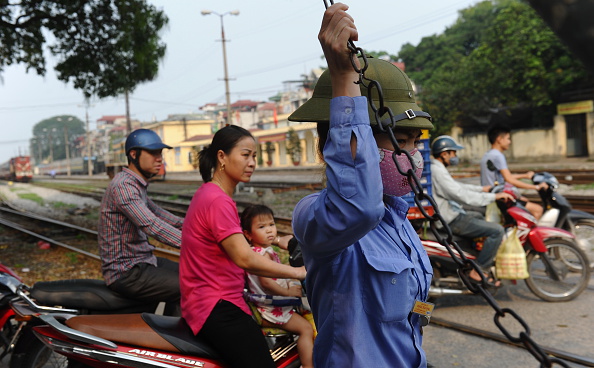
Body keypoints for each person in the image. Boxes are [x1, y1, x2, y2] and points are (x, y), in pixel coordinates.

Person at [287, 4, 434, 367]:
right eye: (399, 139)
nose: (411, 154)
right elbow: (358, 206)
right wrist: (344, 81)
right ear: (333, 144)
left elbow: (415, 308)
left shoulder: (400, 221)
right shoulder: (318, 218)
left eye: (415, 141)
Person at [180, 125, 306, 368]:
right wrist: (298, 273)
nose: (252, 163)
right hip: (217, 305)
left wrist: (281, 241)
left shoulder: (209, 193)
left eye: (255, 156)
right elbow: (245, 258)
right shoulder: (217, 200)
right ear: (222, 157)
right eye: (245, 155)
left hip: (208, 301)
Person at [98, 128, 183, 316]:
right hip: (127, 272)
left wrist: (201, 229)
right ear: (134, 155)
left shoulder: (135, 184)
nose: (159, 158)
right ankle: (176, 339)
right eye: (153, 153)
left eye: (160, 153)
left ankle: (169, 331)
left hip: (143, 261)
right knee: (191, 286)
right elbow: (152, 224)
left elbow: (160, 215)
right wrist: (194, 244)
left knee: (192, 274)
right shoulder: (124, 186)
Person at [430, 135, 514, 284]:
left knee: (478, 215)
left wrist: (483, 189)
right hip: (450, 219)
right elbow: (460, 194)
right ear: (444, 154)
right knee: (497, 231)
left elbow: (458, 186)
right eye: (453, 153)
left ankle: (471, 256)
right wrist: (493, 197)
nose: (455, 156)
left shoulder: (438, 167)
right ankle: (479, 270)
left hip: (450, 214)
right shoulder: (437, 170)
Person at [241, 204, 314, 368]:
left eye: (271, 225)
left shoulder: (259, 250)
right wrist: (287, 292)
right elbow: (266, 282)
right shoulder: (262, 255)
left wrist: (278, 240)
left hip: (271, 305)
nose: (269, 230)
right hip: (271, 310)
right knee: (306, 329)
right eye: (261, 227)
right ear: (247, 234)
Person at [480, 124, 547, 219]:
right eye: (508, 139)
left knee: (523, 200)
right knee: (537, 210)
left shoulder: (488, 154)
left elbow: (502, 176)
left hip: (492, 194)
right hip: (498, 197)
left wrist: (525, 175)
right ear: (499, 139)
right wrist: (536, 187)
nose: (509, 142)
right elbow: (509, 179)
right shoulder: (498, 156)